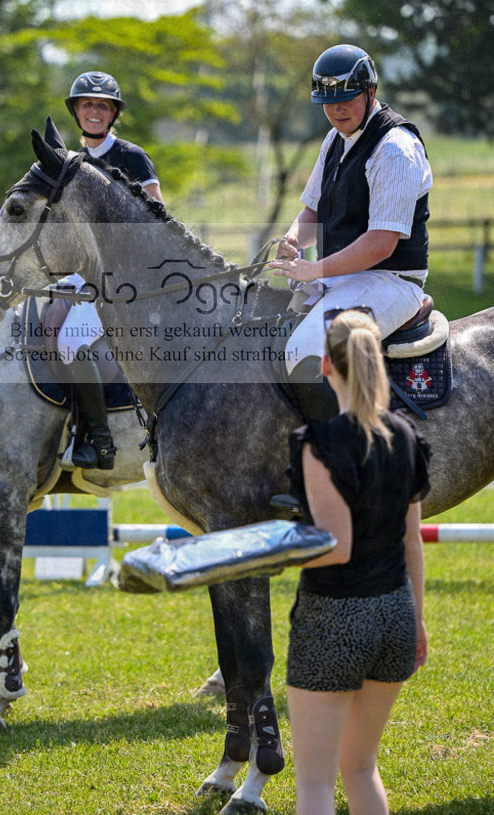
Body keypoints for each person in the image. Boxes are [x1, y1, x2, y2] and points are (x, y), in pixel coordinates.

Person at [285, 307, 430, 815]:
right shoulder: (408, 436)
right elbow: (412, 541)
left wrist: (274, 552)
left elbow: (336, 545)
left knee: (315, 786)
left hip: (334, 621)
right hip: (395, 615)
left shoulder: (319, 442)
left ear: (326, 364)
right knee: (361, 769)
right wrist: (416, 620)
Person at [268, 43, 432, 420]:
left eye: (347, 99)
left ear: (370, 92)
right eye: (328, 101)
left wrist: (314, 270)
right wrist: (292, 239)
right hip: (343, 278)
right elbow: (312, 210)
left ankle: (353, 456)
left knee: (304, 352)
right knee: (267, 336)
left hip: (389, 280)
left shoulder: (395, 149)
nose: (337, 109)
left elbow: (380, 243)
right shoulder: (334, 139)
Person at [57, 71, 162, 470]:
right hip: (75, 276)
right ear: (77, 111)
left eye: (103, 105)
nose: (95, 111)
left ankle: (100, 443)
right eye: (87, 104)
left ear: (113, 112)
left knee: (72, 342)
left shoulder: (132, 158)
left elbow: (158, 222)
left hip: (125, 279)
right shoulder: (69, 163)